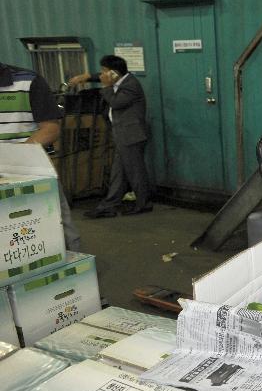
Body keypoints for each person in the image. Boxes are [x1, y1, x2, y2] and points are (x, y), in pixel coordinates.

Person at [0, 61, 81, 251]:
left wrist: (13, 158)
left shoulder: (28, 81)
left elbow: (50, 129)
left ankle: (75, 272)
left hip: (30, 171)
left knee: (57, 224)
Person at [68, 55, 152, 217]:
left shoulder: (131, 85)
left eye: (105, 71)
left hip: (131, 135)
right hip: (122, 135)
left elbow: (116, 103)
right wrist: (86, 77)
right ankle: (109, 205)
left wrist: (106, 87)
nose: (102, 74)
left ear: (114, 73)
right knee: (118, 173)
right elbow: (102, 78)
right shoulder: (120, 80)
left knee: (135, 172)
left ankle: (144, 203)